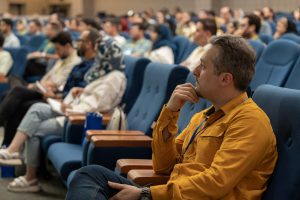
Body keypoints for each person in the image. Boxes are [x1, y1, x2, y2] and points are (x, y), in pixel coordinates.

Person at [65, 35, 277, 200]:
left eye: (203, 66)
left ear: (225, 78)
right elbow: (163, 165)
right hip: (174, 194)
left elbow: (216, 183)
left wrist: (147, 194)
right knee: (91, 175)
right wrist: (171, 112)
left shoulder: (250, 121)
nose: (194, 70)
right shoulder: (205, 116)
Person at [0, 34, 126, 193]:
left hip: (78, 119)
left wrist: (70, 108)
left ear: (108, 55)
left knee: (32, 128)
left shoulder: (114, 77)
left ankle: (30, 177)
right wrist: (79, 92)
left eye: (100, 52)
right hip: (72, 109)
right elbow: (94, 96)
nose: (97, 55)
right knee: (37, 108)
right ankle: (13, 150)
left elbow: (99, 106)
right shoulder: (106, 73)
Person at [0, 31, 81, 146]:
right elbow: (48, 75)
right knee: (14, 80)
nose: (56, 52)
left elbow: (59, 83)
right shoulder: (63, 58)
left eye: (58, 49)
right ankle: (6, 144)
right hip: (41, 88)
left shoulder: (75, 62)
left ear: (67, 46)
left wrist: (44, 85)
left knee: (17, 93)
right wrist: (39, 84)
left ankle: (6, 142)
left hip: (50, 95)